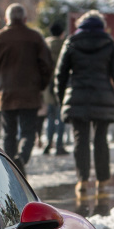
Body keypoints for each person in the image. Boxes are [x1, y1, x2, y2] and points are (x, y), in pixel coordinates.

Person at [56, 11, 114, 199]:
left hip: (78, 96)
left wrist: (61, 97)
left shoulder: (71, 42)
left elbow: (61, 74)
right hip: (103, 97)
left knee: (80, 140)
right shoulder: (109, 43)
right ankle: (102, 181)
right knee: (100, 139)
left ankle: (82, 180)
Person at [0, 3, 54, 167]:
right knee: (29, 131)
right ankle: (22, 159)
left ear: (6, 19)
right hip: (30, 92)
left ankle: (11, 166)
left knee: (9, 133)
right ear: (25, 19)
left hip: (5, 93)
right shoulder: (36, 38)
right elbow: (47, 65)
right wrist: (40, 85)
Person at [41, 19, 68, 155]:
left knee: (50, 117)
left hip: (48, 87)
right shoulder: (65, 45)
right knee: (61, 117)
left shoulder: (45, 46)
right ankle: (59, 145)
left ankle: (48, 144)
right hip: (62, 86)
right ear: (62, 33)